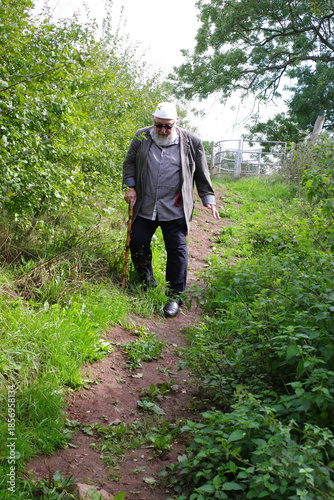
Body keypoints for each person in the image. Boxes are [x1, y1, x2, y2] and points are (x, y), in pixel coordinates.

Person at [123, 101, 220, 318]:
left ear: (176, 122)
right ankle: (146, 282)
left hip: (174, 208)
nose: (164, 130)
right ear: (153, 122)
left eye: (168, 126)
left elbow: (202, 173)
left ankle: (175, 297)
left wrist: (208, 198)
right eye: (159, 126)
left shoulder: (191, 141)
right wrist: (130, 186)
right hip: (146, 206)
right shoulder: (141, 136)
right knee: (137, 242)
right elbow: (129, 162)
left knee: (177, 251)